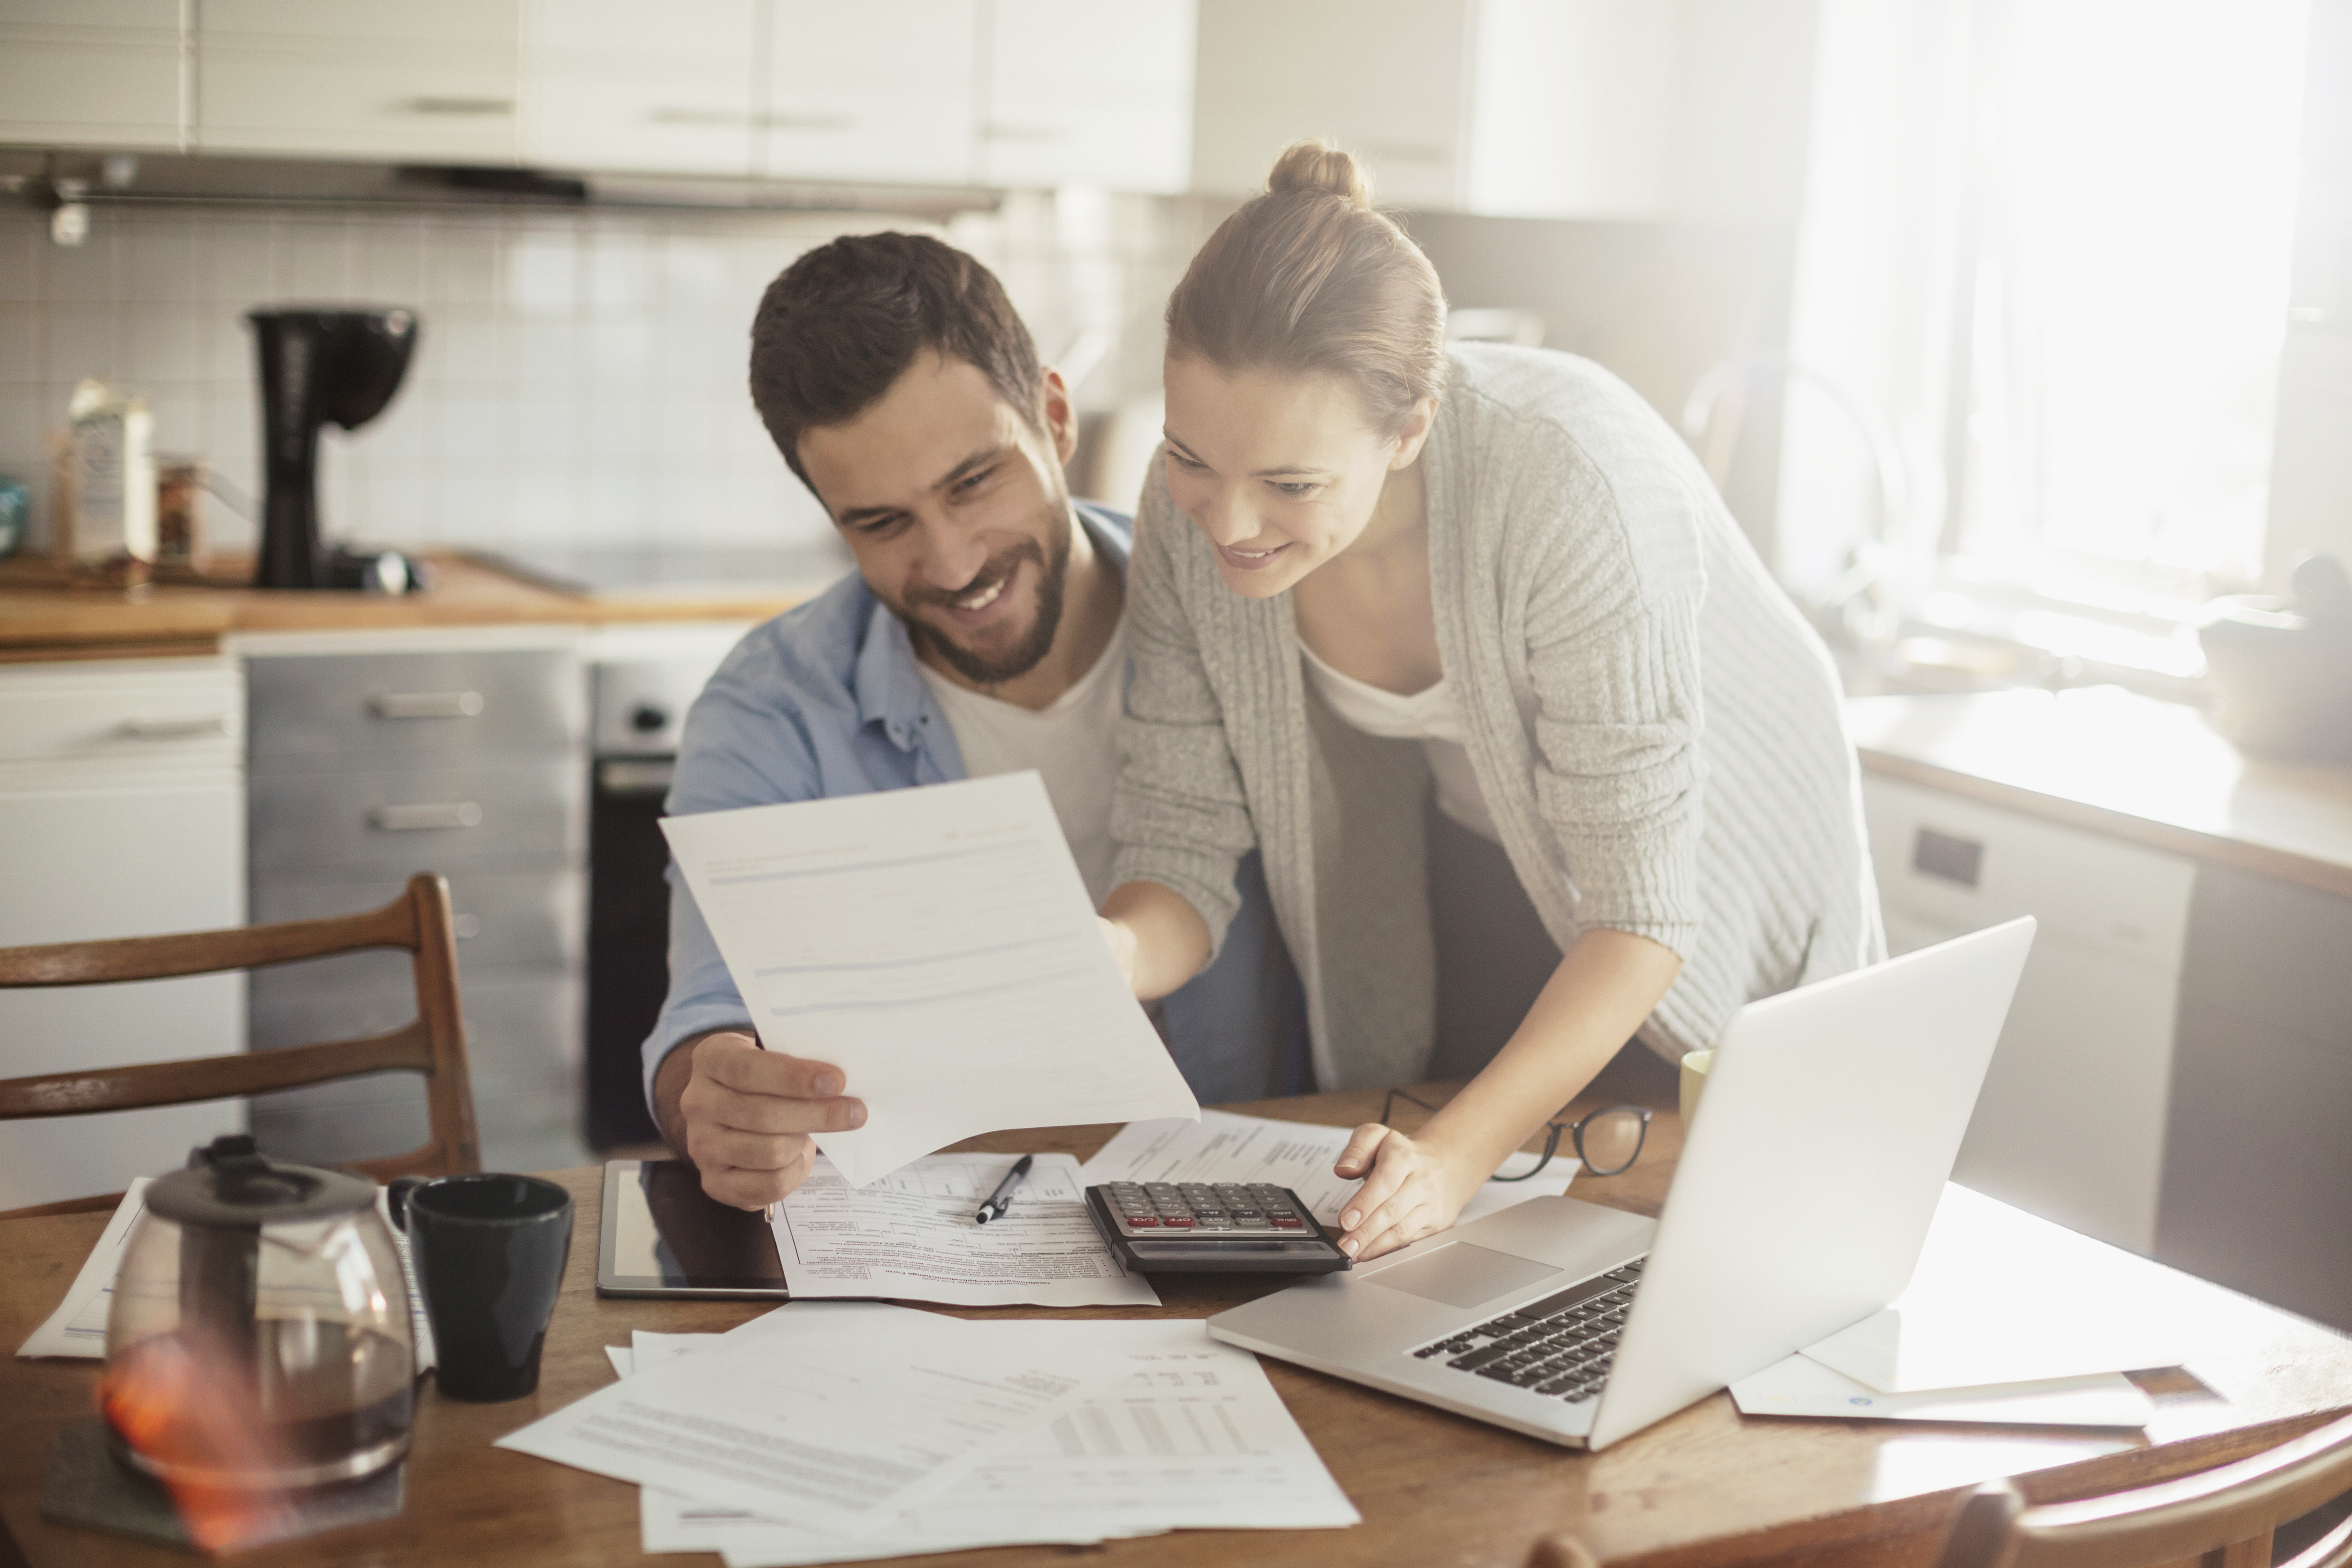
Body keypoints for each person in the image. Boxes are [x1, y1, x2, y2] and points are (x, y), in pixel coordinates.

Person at [1100, 141, 1882, 1263]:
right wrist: (1109, 955)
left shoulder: (1572, 485)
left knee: (1688, 1214)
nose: (1224, 524)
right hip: (1486, 834)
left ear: (1411, 427)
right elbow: (1177, 846)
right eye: (1190, 460)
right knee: (1464, 1228)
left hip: (1708, 865)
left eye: (1291, 485)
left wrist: (1457, 1159)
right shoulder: (1191, 517)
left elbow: (1641, 915)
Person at [648, 232, 1300, 1210]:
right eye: (881, 523)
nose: (952, 564)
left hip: (1257, 1203)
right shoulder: (772, 707)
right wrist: (721, 1098)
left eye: (973, 484)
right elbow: (706, 1022)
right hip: (940, 1228)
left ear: (1055, 414)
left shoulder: (1242, 615)